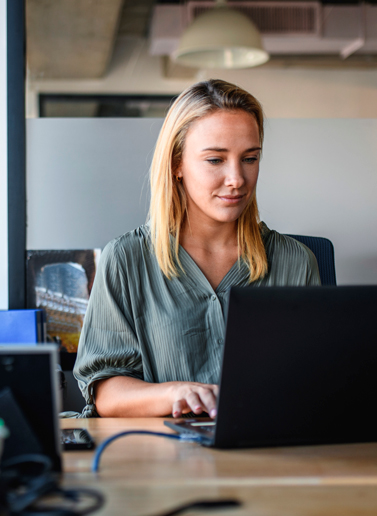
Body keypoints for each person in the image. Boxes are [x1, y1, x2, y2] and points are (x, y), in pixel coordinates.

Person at [74, 79, 321, 419]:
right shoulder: (127, 259)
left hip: (270, 453)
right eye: (215, 160)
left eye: (249, 158)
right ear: (177, 163)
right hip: (166, 459)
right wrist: (178, 392)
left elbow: (317, 380)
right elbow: (106, 393)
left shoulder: (296, 262)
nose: (237, 178)